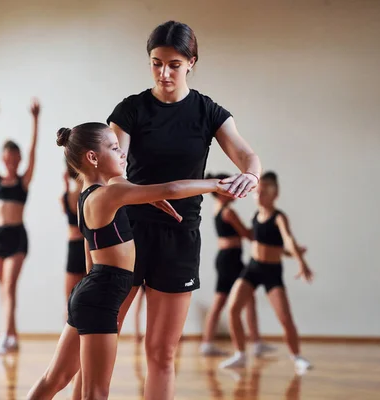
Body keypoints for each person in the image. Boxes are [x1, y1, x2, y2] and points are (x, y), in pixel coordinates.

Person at [25, 122, 246, 400]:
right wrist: (216, 184)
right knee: (96, 391)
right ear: (92, 158)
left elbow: (89, 257)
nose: (122, 154)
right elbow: (173, 188)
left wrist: (144, 198)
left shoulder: (87, 197)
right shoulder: (109, 195)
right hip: (100, 299)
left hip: (89, 295)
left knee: (54, 378)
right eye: (115, 148)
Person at [107, 20, 261, 399]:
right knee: (101, 337)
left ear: (191, 62)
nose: (164, 73)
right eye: (156, 63)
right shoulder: (130, 110)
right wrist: (139, 192)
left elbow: (245, 153)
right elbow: (110, 172)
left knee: (161, 352)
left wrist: (252, 176)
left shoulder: (208, 112)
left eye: (174, 64)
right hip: (126, 233)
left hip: (179, 236)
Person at [220, 172, 313, 372]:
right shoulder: (255, 216)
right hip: (253, 268)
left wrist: (301, 262)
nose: (258, 197)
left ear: (274, 194)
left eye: (263, 193)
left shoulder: (279, 217)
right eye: (256, 193)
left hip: (272, 272)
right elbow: (267, 245)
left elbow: (288, 240)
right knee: (233, 308)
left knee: (285, 318)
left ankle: (297, 357)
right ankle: (240, 354)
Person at [0, 99, 40, 355]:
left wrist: (36, 120)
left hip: (16, 237)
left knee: (8, 288)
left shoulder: (24, 180)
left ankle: (3, 336)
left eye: (14, 157)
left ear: (19, 158)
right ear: (3, 159)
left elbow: (34, 148)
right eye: (6, 157)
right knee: (6, 291)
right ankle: (13, 335)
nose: (10, 161)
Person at [200, 172, 275, 357]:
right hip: (229, 260)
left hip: (228, 258)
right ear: (221, 191)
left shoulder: (218, 208)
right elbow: (247, 234)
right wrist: (261, 223)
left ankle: (252, 342)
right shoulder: (228, 212)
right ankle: (210, 343)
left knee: (243, 299)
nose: (234, 192)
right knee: (226, 301)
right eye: (231, 188)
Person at [61, 162, 86, 299]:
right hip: (88, 246)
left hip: (74, 247)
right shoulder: (89, 196)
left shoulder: (66, 198)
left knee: (70, 299)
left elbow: (67, 210)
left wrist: (66, 185)